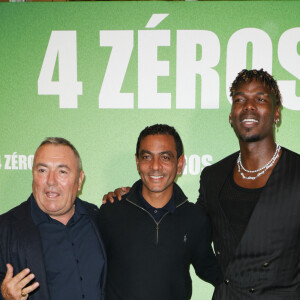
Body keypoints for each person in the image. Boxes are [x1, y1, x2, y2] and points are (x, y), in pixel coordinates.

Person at [198, 69, 300, 299]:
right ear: (231, 115)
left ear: (276, 113)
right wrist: (137, 197)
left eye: (260, 99)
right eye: (240, 99)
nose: (249, 105)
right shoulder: (213, 177)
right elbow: (190, 231)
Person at [99, 124, 218, 300]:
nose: (155, 166)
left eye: (165, 157)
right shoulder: (110, 213)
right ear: (137, 162)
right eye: (147, 157)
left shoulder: (194, 218)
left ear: (179, 163)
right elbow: (90, 270)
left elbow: (211, 270)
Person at [0, 137, 106, 300]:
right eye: (42, 170)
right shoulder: (5, 229)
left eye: (62, 171)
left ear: (79, 180)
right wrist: (4, 295)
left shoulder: (98, 218)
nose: (51, 181)